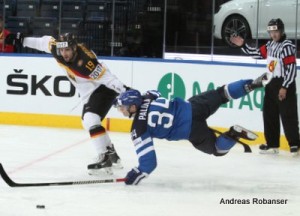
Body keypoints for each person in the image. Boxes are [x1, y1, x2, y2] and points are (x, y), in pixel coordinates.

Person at [5, 32, 129, 175]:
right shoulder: (57, 48)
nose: (64, 53)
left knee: (90, 119)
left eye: (67, 50)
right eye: (62, 50)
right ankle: (111, 155)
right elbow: (44, 42)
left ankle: (105, 157)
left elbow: (109, 79)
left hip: (103, 88)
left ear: (74, 48)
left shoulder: (87, 62)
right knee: (88, 122)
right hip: (91, 91)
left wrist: (125, 91)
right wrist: (22, 39)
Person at [114, 73, 271, 185]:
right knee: (222, 93)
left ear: (133, 106)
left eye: (123, 107)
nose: (121, 110)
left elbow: (149, 164)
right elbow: (155, 93)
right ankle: (252, 84)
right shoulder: (147, 96)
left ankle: (232, 134)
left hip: (192, 130)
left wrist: (135, 174)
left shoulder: (138, 129)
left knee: (217, 149)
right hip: (194, 106)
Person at [230, 18, 300, 156]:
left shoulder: (287, 46)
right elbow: (256, 53)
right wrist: (243, 44)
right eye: (271, 32)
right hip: (271, 82)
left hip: (284, 83)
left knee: (288, 115)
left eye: (276, 31)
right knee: (269, 114)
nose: (273, 35)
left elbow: (291, 68)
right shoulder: (270, 45)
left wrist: (284, 87)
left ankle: (294, 144)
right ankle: (272, 144)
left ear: (281, 31)